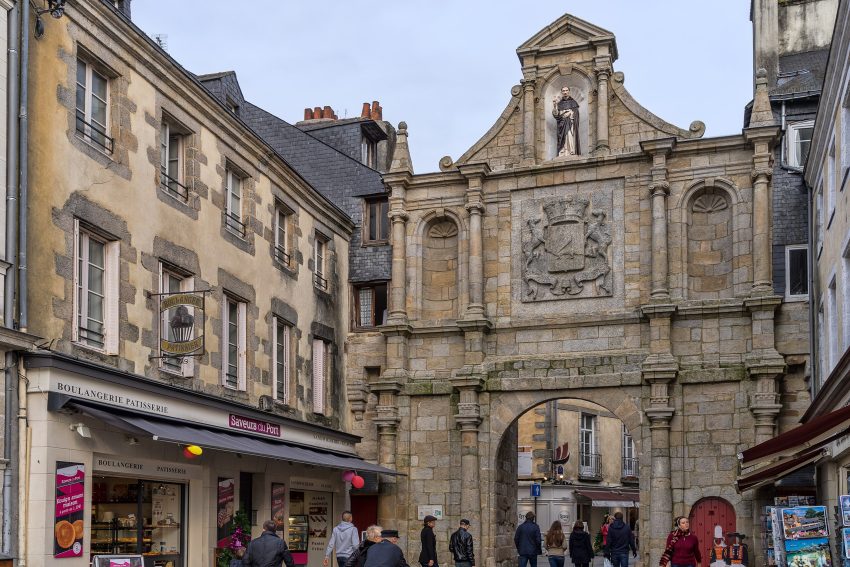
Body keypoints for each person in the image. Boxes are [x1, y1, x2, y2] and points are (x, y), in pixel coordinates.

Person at [552, 85, 580, 156]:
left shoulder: (573, 102)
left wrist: (570, 113)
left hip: (570, 123)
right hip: (562, 125)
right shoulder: (559, 104)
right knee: (563, 136)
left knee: (570, 135)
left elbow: (576, 114)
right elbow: (556, 115)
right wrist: (555, 106)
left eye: (566, 90)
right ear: (561, 92)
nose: (565, 92)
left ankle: (571, 150)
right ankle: (563, 151)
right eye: (563, 91)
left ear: (569, 92)